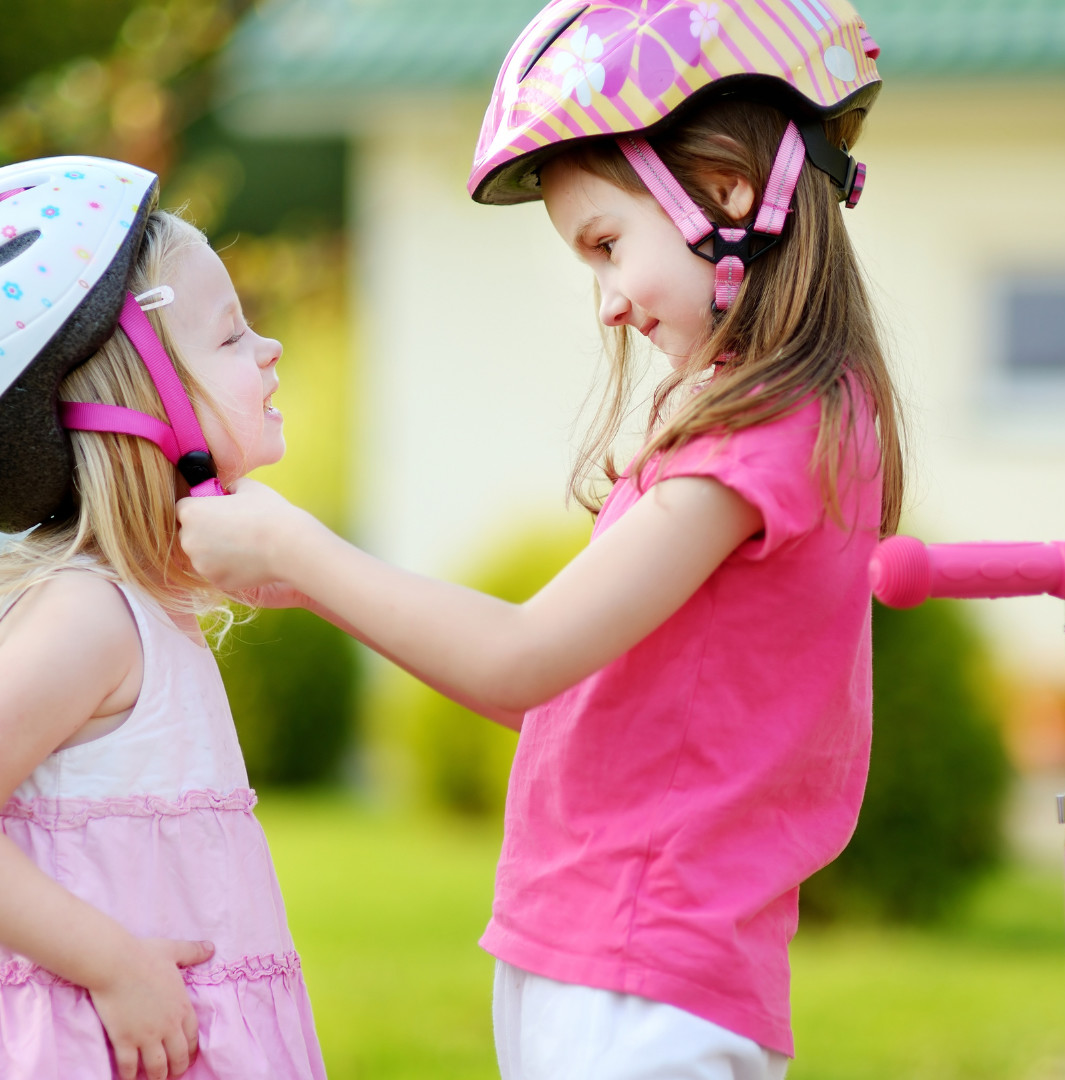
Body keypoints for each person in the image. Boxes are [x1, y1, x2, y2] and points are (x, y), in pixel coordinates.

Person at [177, 1, 903, 1076]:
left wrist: (297, 551)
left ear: (731, 196)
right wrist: (314, 581)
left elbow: (522, 665)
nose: (607, 302)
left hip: (643, 970)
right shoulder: (775, 414)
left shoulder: (761, 428)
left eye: (607, 245)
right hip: (606, 958)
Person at [0, 157, 325, 1080]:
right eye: (230, 337)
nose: (269, 349)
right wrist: (112, 965)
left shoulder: (141, 610)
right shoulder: (89, 617)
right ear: (139, 404)